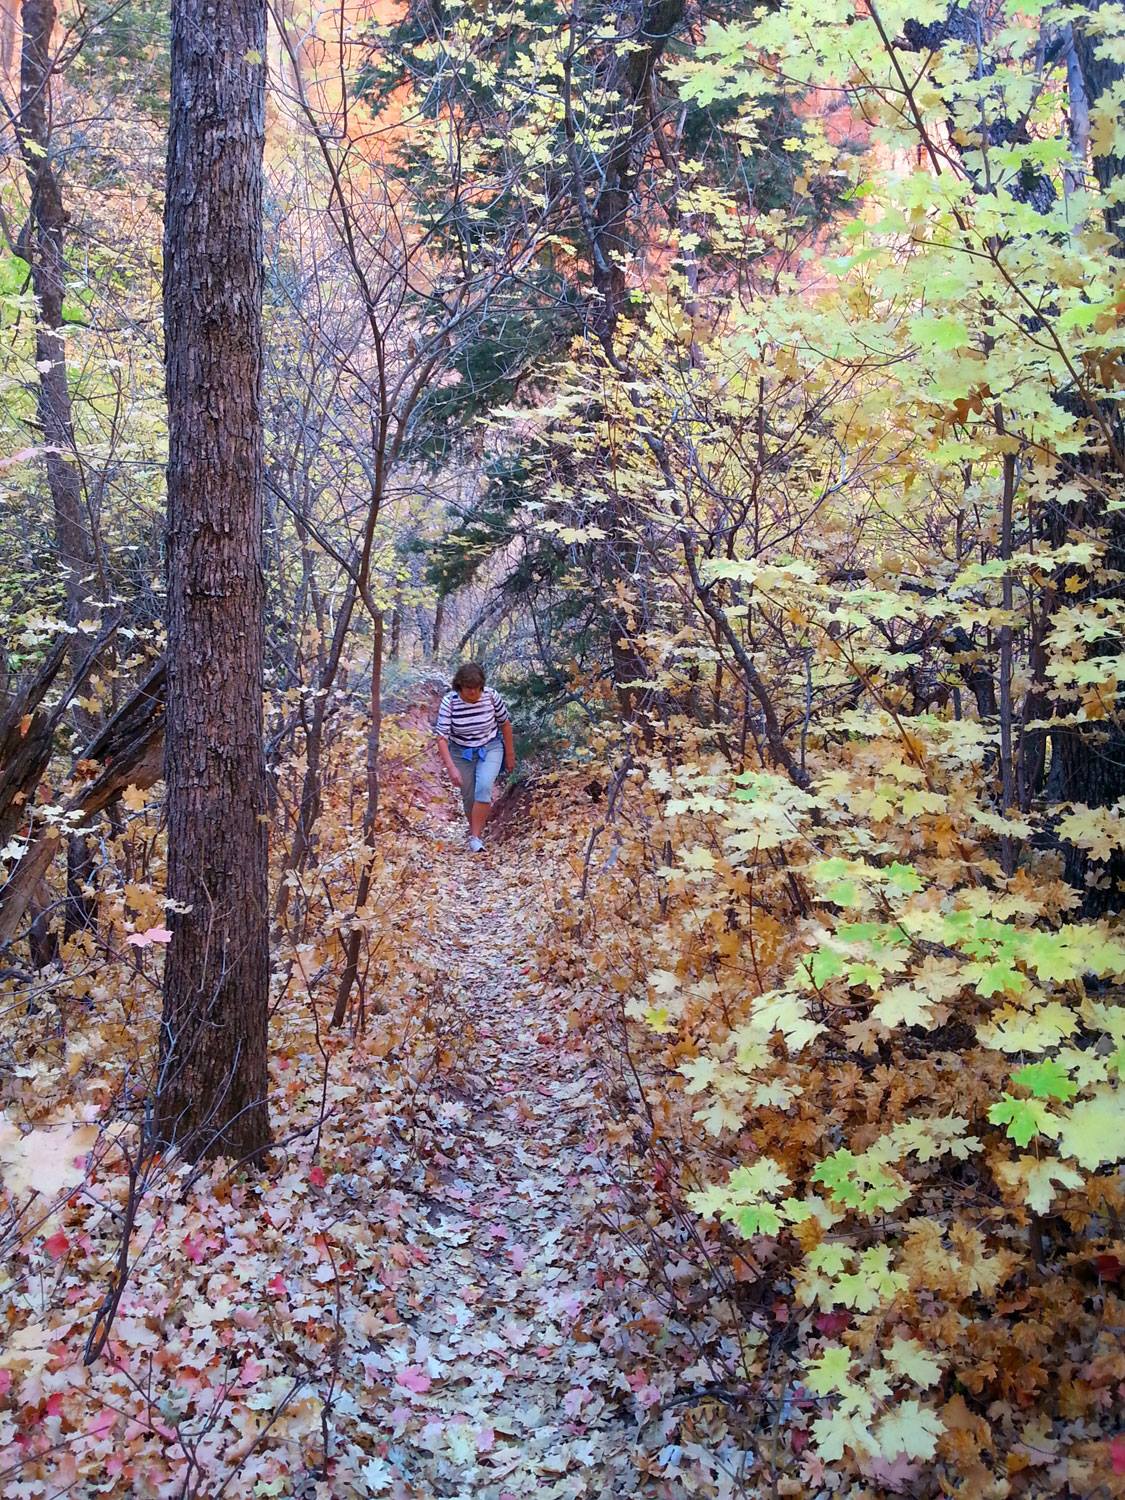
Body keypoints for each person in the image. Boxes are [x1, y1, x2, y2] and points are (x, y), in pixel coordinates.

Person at [434, 663, 515, 852]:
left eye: (477, 688)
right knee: (469, 796)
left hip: (490, 747)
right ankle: (474, 831)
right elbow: (441, 737)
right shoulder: (450, 702)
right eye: (469, 688)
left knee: (484, 787)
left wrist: (510, 754)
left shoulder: (491, 696)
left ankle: (476, 837)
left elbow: (505, 724)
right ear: (460, 686)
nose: (473, 693)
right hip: (461, 752)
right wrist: (451, 768)